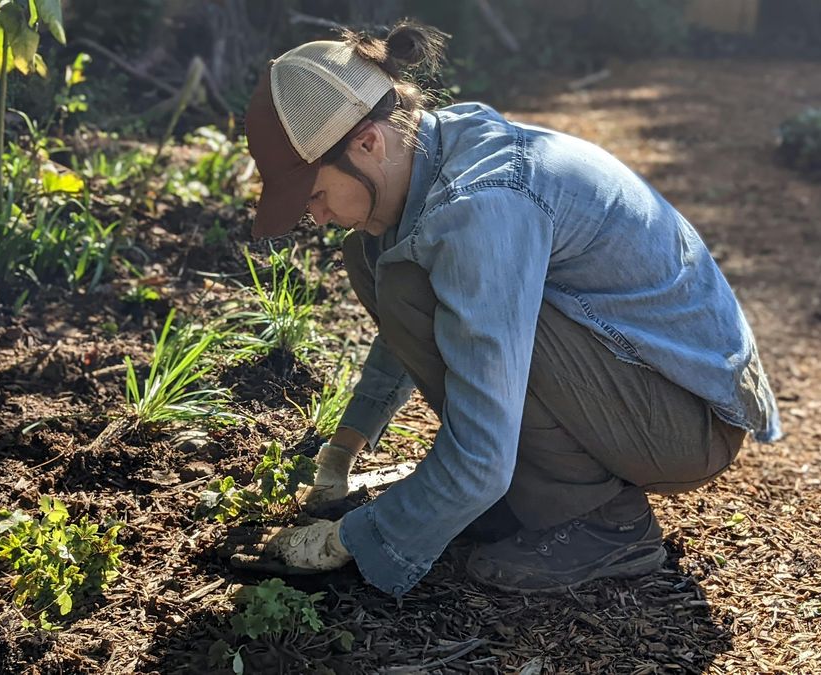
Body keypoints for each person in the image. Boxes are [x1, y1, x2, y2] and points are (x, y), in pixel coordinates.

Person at [225, 21, 780, 598]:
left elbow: (479, 445)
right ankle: (536, 494)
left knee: (436, 289)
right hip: (632, 379)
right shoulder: (429, 152)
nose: (313, 216)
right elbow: (406, 323)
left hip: (685, 418)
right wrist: (344, 447)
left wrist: (349, 541)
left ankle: (605, 521)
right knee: (379, 259)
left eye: (313, 194)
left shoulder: (483, 206)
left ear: (368, 141)